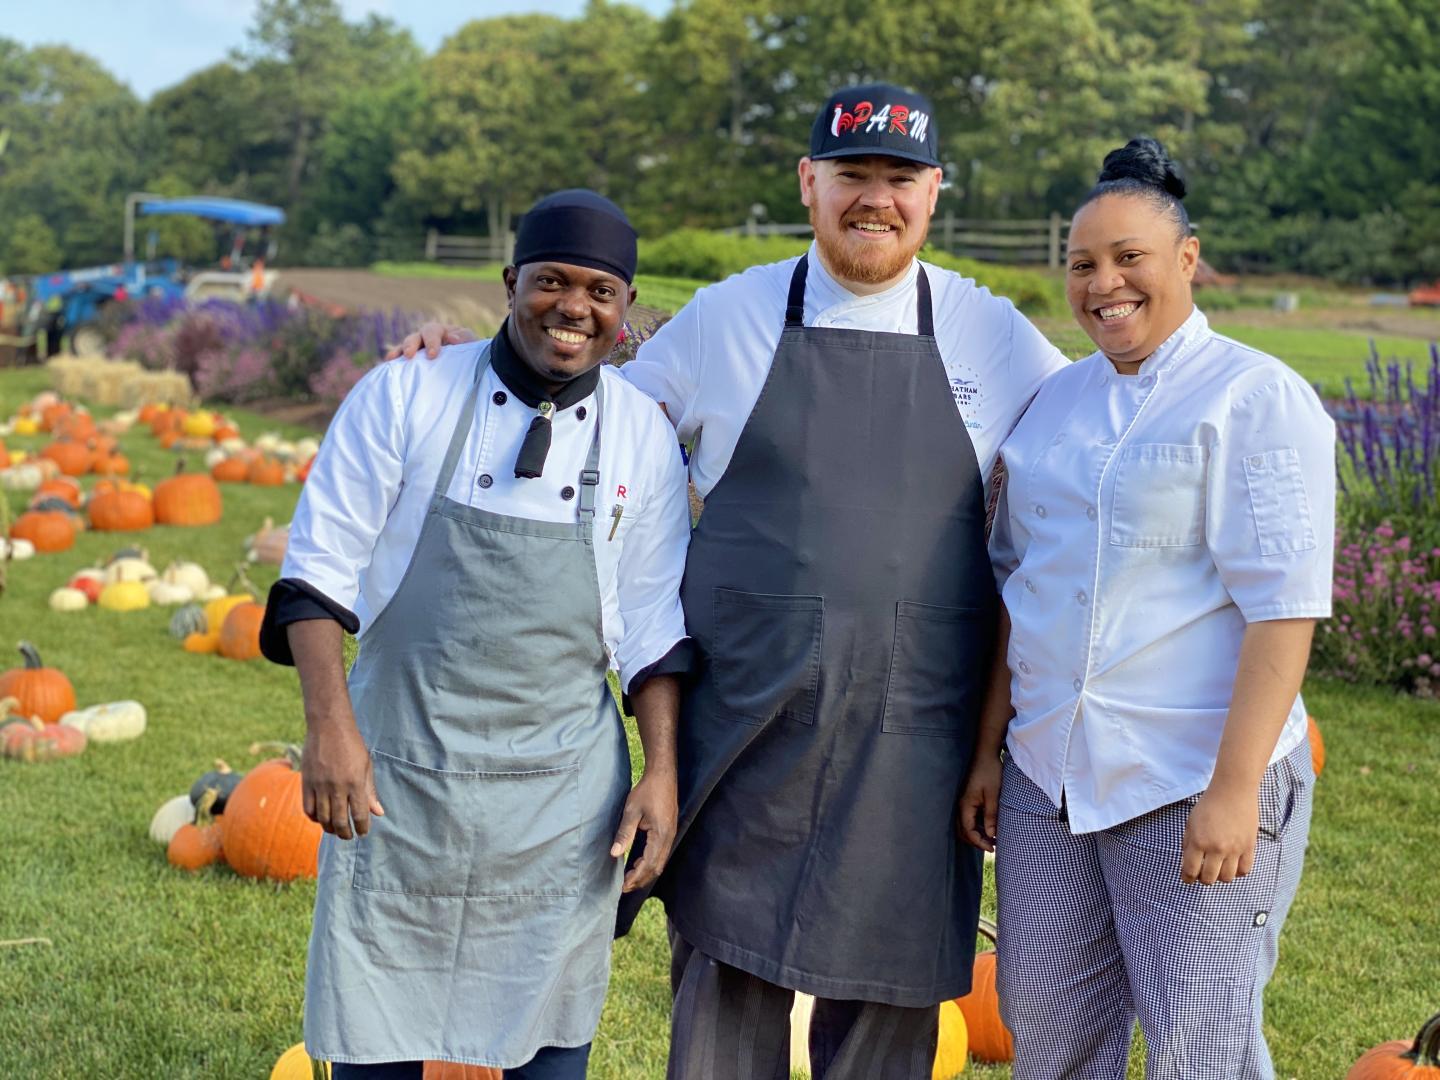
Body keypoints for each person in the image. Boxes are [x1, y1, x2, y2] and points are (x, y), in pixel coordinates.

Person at [395, 84, 1068, 1079]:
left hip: (912, 742)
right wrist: (463, 370)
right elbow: (593, 413)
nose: (872, 200)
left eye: (897, 179)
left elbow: (1095, 442)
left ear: (933, 194)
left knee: (886, 1022)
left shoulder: (996, 336)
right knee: (726, 1002)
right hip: (749, 728)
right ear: (809, 182)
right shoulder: (731, 318)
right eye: (851, 177)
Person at [259, 189, 692, 1080]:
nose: (574, 308)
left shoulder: (642, 434)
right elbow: (317, 571)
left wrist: (661, 772)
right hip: (396, 781)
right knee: (373, 1033)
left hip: (558, 801)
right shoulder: (405, 392)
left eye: (601, 292)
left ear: (625, 310)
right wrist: (330, 730)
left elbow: (652, 627)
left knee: (548, 1040)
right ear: (509, 283)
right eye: (552, 282)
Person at [958, 137, 1335, 1080]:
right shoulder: (1052, 403)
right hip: (1051, 778)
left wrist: (1237, 789)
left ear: (1187, 259)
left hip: (1191, 776)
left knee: (1198, 1051)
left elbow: (1284, 610)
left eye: (1131, 258)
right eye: (1083, 264)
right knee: (1047, 1041)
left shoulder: (1255, 397)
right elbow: (1020, 589)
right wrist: (991, 751)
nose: (1104, 283)